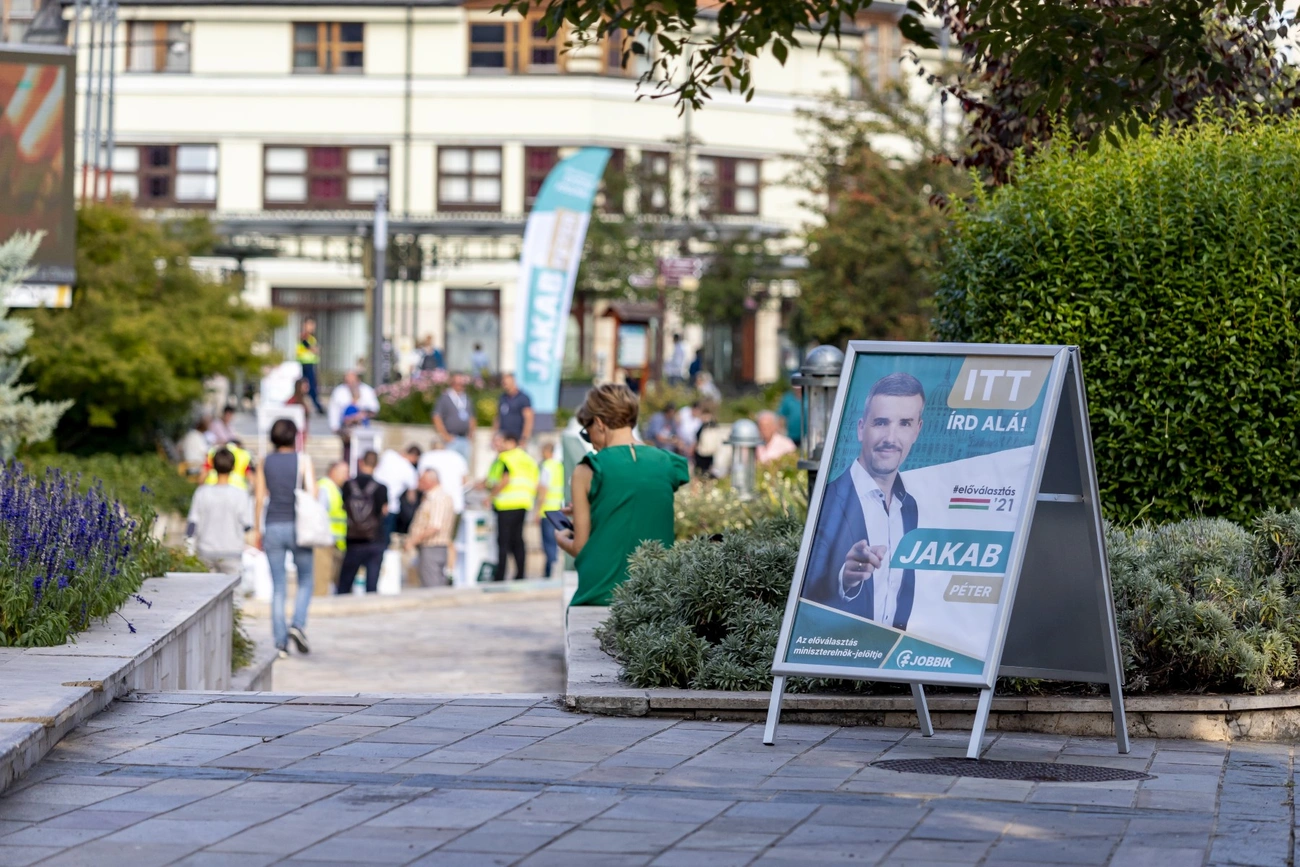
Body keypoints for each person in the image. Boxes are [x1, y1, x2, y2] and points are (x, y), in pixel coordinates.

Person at [802, 373, 925, 630]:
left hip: (891, 661)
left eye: (904, 423)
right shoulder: (828, 501)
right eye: (881, 422)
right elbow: (806, 593)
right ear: (861, 428)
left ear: (917, 430)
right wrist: (845, 581)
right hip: (840, 658)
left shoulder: (910, 507)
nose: (891, 438)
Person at [557, 384, 690, 606]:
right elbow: (638, 501)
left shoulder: (589, 469)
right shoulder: (667, 463)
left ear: (599, 423)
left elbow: (580, 547)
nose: (589, 439)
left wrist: (560, 538)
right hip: (657, 592)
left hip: (601, 593)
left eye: (586, 432)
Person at [253, 418, 315, 659]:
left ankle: (280, 644)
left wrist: (258, 530)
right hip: (299, 527)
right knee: (306, 579)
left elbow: (259, 498)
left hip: (273, 526)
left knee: (278, 586)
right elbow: (313, 493)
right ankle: (297, 625)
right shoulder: (303, 460)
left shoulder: (265, 462)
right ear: (295, 437)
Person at [186, 448, 252, 576]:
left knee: (206, 592)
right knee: (234, 593)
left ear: (212, 467)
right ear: (233, 467)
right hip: (232, 551)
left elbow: (192, 523)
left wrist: (188, 547)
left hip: (205, 550)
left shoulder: (201, 492)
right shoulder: (240, 494)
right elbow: (247, 524)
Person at [484, 432, 537, 582]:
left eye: (503, 442)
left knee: (503, 542)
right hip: (523, 503)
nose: (500, 445)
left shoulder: (506, 457)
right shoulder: (527, 458)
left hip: (506, 504)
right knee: (518, 540)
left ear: (511, 442)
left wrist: (490, 496)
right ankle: (520, 573)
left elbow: (504, 480)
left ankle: (500, 575)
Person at [338, 450, 389, 594]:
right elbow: (384, 511)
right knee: (371, 587)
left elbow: (345, 507)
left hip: (353, 540)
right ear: (377, 465)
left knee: (345, 584)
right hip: (374, 539)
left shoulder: (348, 485)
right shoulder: (381, 488)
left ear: (361, 462)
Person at [405, 469, 456, 587]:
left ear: (430, 481)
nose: (418, 483)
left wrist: (413, 540)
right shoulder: (433, 497)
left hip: (433, 546)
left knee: (432, 586)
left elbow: (435, 526)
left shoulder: (437, 499)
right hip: (431, 547)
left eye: (421, 480)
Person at [328, 370, 380, 464]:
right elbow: (335, 411)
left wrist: (363, 414)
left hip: (364, 432)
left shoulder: (367, 390)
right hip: (348, 434)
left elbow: (374, 409)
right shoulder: (339, 392)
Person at [314, 460, 349, 595]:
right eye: (344, 473)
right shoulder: (325, 488)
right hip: (325, 543)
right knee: (321, 583)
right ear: (333, 471)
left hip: (334, 543)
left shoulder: (335, 489)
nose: (347, 477)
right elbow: (319, 516)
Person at [373, 445, 420, 545]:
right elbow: (411, 496)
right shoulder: (410, 470)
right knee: (384, 539)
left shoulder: (389, 454)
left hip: (373, 502)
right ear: (414, 457)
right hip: (390, 507)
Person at [419, 434, 469, 515]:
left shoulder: (427, 457)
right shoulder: (457, 457)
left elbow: (422, 481)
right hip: (456, 504)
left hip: (433, 504)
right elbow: (465, 482)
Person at [536, 442, 565, 579]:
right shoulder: (560, 466)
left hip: (547, 510)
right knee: (558, 541)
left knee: (548, 543)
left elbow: (543, 489)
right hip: (560, 509)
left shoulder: (546, 466)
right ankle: (556, 569)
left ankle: (550, 572)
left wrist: (537, 510)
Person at [433, 373, 475, 465]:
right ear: (452, 384)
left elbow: (472, 417)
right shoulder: (445, 398)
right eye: (458, 383)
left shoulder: (466, 398)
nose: (460, 386)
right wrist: (445, 435)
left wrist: (471, 433)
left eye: (462, 384)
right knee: (450, 465)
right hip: (452, 438)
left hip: (464, 439)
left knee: (464, 467)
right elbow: (436, 417)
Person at [494, 373, 534, 444]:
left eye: (506, 383)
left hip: (517, 438)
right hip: (503, 438)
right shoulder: (502, 398)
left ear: (513, 382)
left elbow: (529, 419)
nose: (504, 385)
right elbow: (498, 418)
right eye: (503, 383)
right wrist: (494, 435)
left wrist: (524, 437)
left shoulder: (523, 398)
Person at [296, 317, 325, 415]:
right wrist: (315, 349)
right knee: (309, 387)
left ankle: (315, 406)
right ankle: (317, 406)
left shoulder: (311, 337)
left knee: (309, 387)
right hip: (305, 364)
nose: (312, 327)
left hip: (309, 364)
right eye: (310, 325)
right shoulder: (304, 336)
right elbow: (309, 347)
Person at [692, 404, 723, 477]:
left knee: (703, 472)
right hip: (705, 453)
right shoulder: (707, 426)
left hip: (704, 453)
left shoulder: (707, 427)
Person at [779, 383, 803, 448]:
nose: (798, 390)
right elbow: (782, 416)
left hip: (805, 436)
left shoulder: (808, 397)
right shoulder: (788, 399)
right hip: (791, 436)